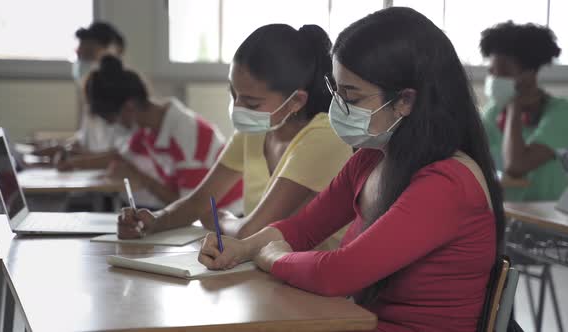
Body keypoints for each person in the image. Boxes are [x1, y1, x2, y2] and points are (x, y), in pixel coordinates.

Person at [197, 8, 505, 332]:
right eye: (336, 91)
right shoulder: (371, 158)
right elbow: (303, 228)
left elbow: (337, 273)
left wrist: (272, 257)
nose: (336, 107)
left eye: (350, 96)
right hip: (355, 321)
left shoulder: (447, 183)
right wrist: (243, 248)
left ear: (405, 101)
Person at [118, 24, 353, 247]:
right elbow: (199, 202)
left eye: (251, 103)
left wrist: (220, 219)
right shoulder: (256, 131)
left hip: (315, 281)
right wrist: (154, 221)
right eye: (233, 94)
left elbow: (252, 232)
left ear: (296, 101)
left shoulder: (325, 137)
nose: (238, 108)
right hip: (264, 268)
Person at [62, 55, 242, 211]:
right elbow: (121, 156)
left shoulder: (188, 138)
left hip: (221, 218)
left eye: (113, 120)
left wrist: (140, 177)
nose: (114, 127)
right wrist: (74, 162)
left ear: (129, 108)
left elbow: (188, 207)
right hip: (195, 212)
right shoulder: (148, 127)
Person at [480, 21, 567, 201]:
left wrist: (514, 107)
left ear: (529, 74)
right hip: (508, 218)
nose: (493, 79)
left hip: (548, 223)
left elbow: (516, 165)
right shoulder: (492, 113)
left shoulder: (560, 113)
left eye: (501, 71)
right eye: (490, 71)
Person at [33, 22, 131, 157]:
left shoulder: (123, 103)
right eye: (79, 57)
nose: (82, 64)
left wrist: (81, 157)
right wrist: (61, 146)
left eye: (89, 56)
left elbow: (123, 156)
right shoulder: (91, 99)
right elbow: (85, 140)